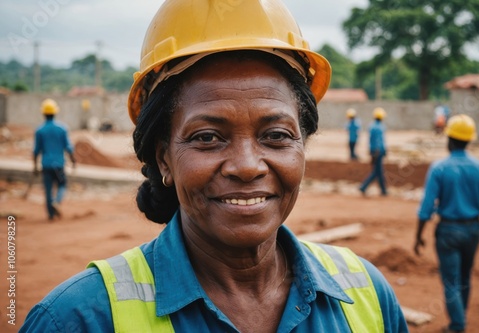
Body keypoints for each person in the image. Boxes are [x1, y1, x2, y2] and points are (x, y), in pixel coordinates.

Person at [20, 1, 408, 332]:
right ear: (163, 159)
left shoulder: (368, 298)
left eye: (276, 135)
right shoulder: (77, 320)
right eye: (207, 137)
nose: (247, 166)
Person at [414, 114, 479, 333]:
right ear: (469, 140)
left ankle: (458, 324)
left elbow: (426, 208)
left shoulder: (439, 168)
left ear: (449, 140)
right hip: (473, 230)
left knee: (451, 279)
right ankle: (461, 318)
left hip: (448, 231)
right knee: (464, 275)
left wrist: (418, 236)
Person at [33, 98, 76, 220]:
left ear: (43, 113)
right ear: (55, 112)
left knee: (48, 190)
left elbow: (36, 151)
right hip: (59, 164)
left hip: (46, 164)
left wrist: (35, 166)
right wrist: (73, 161)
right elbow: (68, 147)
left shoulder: (39, 130)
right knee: (62, 184)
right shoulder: (62, 129)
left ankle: (51, 215)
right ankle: (56, 201)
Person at [359, 107, 387, 196]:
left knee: (378, 171)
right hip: (378, 152)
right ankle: (364, 186)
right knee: (377, 171)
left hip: (373, 151)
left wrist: (371, 151)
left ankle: (383, 190)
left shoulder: (371, 126)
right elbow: (380, 141)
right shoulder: (381, 127)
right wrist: (383, 150)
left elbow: (371, 140)